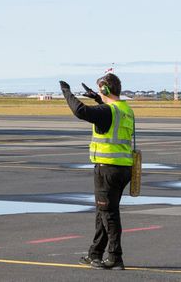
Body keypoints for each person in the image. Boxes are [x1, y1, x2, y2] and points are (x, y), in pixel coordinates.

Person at [59, 73, 133, 271]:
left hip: (107, 169)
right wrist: (97, 98)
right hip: (123, 168)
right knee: (104, 211)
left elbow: (80, 111)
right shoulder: (125, 110)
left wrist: (67, 92)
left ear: (106, 90)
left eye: (100, 89)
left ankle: (115, 256)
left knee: (109, 214)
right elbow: (108, 113)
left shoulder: (107, 111)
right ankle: (95, 254)